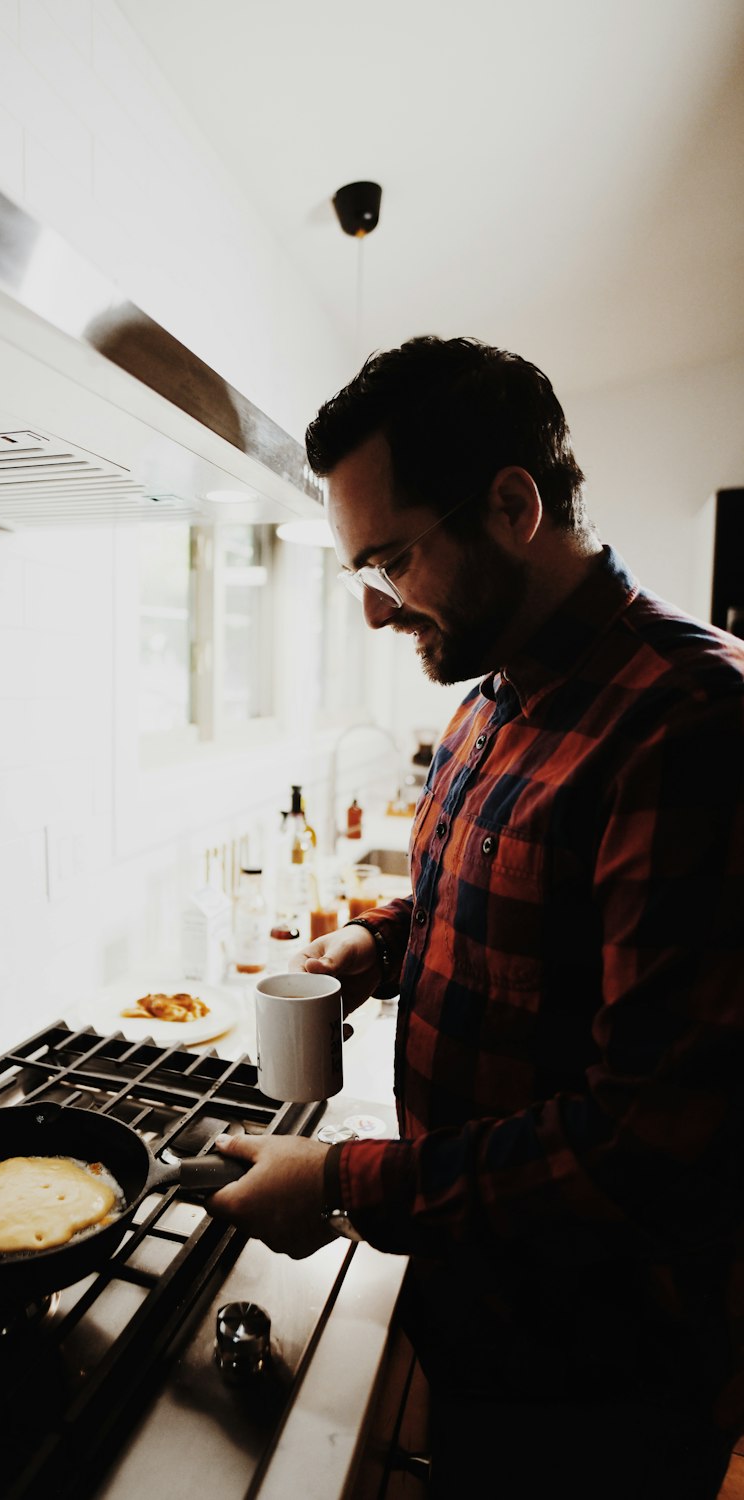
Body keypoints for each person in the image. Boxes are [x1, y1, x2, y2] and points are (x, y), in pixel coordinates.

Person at [208, 336, 744, 1498]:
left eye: (392, 558)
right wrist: (374, 946)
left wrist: (344, 1181)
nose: (372, 609)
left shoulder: (693, 723)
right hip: (484, 1306)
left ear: (512, 505)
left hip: (605, 1373)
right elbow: (492, 895)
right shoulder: (490, 696)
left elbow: (648, 1146)